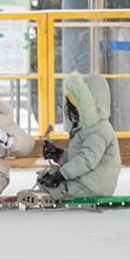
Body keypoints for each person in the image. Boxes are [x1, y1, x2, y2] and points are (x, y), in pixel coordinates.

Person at [18, 72, 121, 207]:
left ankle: (51, 195)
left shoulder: (100, 130)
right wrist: (59, 155)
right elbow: (77, 157)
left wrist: (62, 175)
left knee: (56, 181)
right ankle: (49, 193)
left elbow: (86, 160)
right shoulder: (87, 128)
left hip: (93, 186)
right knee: (46, 175)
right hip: (86, 180)